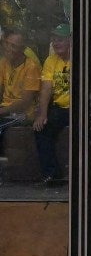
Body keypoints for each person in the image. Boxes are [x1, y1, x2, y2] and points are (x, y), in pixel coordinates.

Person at [33, 23, 71, 185]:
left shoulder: (82, 57)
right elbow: (46, 88)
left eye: (60, 39)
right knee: (41, 130)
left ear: (70, 40)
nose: (56, 43)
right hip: (60, 108)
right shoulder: (51, 60)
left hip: (80, 107)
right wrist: (42, 114)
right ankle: (52, 174)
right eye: (54, 39)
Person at [0, 28, 42, 166]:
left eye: (14, 46)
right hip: (6, 110)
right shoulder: (4, 63)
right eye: (7, 43)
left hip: (23, 114)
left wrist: (1, 111)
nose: (9, 48)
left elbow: (25, 102)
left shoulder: (31, 67)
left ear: (22, 49)